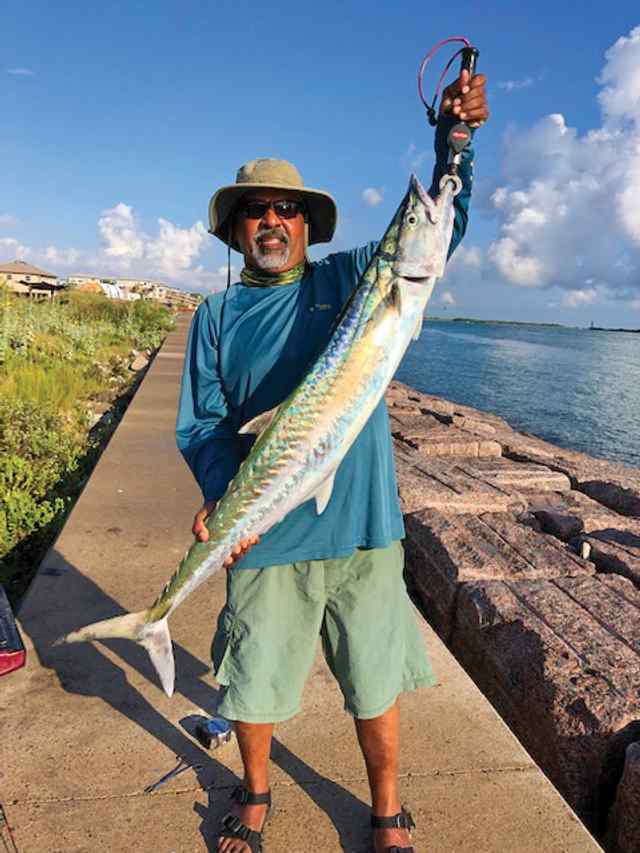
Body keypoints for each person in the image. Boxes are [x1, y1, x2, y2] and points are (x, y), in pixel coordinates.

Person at [176, 69, 489, 853]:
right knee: (253, 680)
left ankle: (385, 809)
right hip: (267, 529)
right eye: (256, 210)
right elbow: (204, 424)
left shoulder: (354, 279)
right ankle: (254, 792)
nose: (271, 220)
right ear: (235, 230)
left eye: (286, 209)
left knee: (374, 679)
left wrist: (455, 145)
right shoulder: (215, 316)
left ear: (307, 225)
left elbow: (436, 229)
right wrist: (221, 490)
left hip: (363, 525)